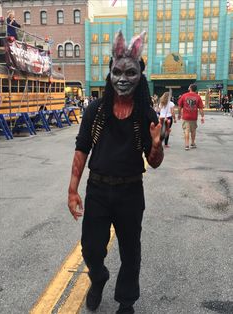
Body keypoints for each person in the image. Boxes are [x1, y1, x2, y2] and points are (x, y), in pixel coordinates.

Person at [68, 30, 164, 314]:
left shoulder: (146, 115)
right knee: (91, 249)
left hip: (130, 191)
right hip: (97, 190)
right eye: (117, 72)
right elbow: (82, 148)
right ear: (109, 73)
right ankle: (98, 278)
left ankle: (126, 301)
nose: (123, 79)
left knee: (130, 251)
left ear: (140, 77)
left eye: (130, 73)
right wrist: (72, 189)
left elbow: (154, 161)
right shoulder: (95, 110)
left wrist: (157, 144)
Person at [178, 83, 204, 150]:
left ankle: (187, 145)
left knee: (186, 130)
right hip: (194, 117)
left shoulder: (184, 95)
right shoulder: (198, 97)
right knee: (193, 130)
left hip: (185, 117)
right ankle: (192, 143)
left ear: (190, 88)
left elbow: (179, 106)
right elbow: (201, 108)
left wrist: (179, 114)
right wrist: (202, 117)